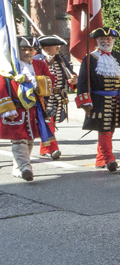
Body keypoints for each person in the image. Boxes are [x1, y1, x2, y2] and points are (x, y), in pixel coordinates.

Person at [76, 27, 120, 172]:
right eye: (102, 39)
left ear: (113, 40)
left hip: (117, 99)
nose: (106, 41)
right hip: (98, 100)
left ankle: (100, 159)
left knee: (110, 129)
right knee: (104, 129)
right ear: (97, 41)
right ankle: (110, 159)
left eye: (108, 39)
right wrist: (85, 102)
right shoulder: (90, 59)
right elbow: (83, 82)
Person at [0, 37, 52, 181]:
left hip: (34, 110)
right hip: (15, 109)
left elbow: (50, 79)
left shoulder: (39, 64)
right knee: (19, 140)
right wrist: (7, 108)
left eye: (31, 49)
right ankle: (25, 168)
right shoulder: (9, 65)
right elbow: (1, 86)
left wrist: (36, 81)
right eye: (24, 49)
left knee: (29, 139)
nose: (28, 52)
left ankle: (18, 167)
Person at [33, 36, 70, 159]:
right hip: (44, 98)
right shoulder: (37, 60)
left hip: (58, 96)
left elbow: (69, 75)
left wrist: (73, 80)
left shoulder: (61, 60)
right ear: (47, 48)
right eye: (56, 46)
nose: (58, 48)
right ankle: (53, 149)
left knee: (51, 122)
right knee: (49, 123)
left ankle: (44, 148)